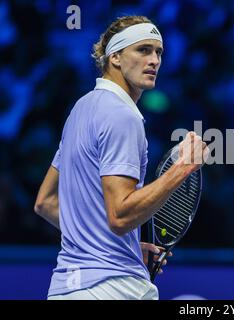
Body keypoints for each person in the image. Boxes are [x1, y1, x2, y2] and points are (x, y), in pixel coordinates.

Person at [34, 16, 209, 300]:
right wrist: (183, 168)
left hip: (67, 290)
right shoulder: (122, 115)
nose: (154, 60)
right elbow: (120, 216)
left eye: (159, 52)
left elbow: (46, 202)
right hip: (113, 288)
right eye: (143, 50)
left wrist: (122, 245)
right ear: (114, 57)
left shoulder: (81, 110)